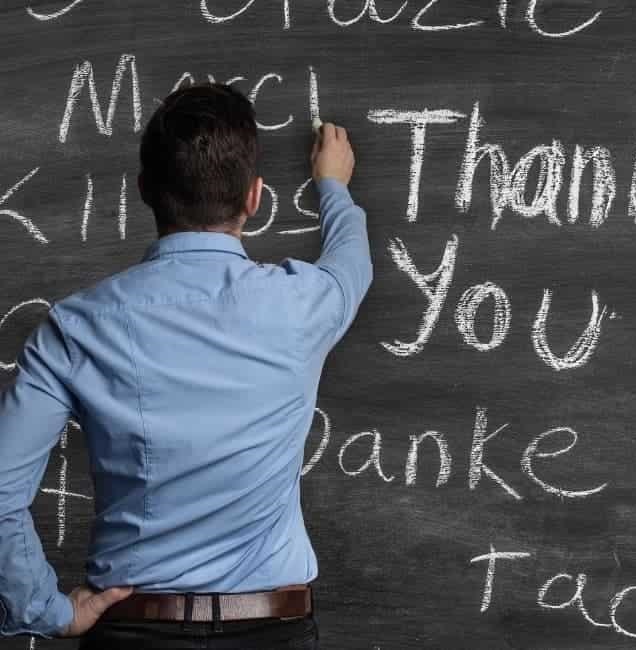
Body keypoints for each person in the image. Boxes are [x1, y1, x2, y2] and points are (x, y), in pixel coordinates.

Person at [0, 82, 370, 649]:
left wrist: (45, 610)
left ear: (145, 190)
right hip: (273, 632)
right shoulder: (303, 304)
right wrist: (332, 187)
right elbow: (351, 265)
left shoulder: (76, 327)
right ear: (254, 197)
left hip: (132, 631)